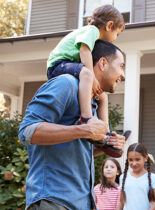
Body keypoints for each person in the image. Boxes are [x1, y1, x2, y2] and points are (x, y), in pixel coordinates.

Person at [18, 40, 126, 210]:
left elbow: (79, 146)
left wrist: (108, 143)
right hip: (53, 200)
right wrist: (83, 130)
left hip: (81, 202)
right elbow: (27, 131)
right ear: (103, 63)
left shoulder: (92, 104)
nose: (123, 75)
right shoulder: (66, 84)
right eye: (121, 66)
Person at [47, 4, 125, 127]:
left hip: (66, 64)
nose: (115, 39)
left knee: (101, 95)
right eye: (117, 34)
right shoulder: (92, 31)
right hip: (58, 64)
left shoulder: (92, 35)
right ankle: (86, 117)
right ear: (109, 26)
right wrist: (92, 77)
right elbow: (84, 51)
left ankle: (105, 131)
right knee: (86, 73)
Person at [117, 143, 155, 210]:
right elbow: (121, 202)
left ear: (145, 158)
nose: (134, 163)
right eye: (130, 160)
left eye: (137, 159)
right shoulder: (123, 177)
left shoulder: (153, 178)